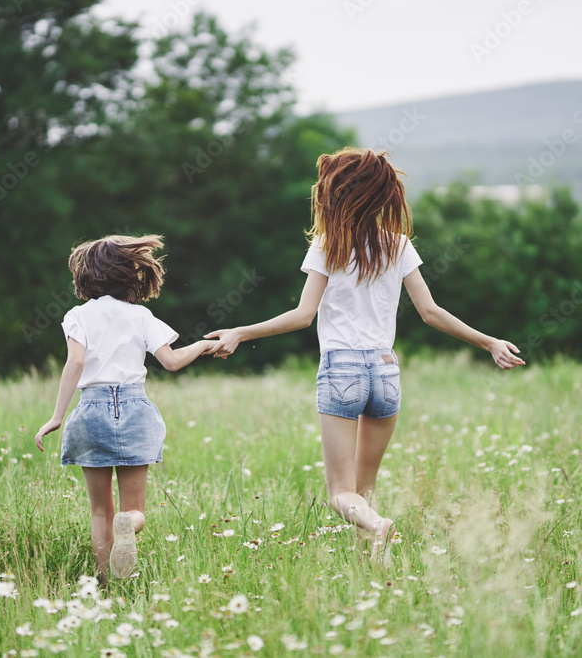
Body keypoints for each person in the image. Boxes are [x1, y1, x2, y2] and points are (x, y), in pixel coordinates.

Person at [206, 148, 524, 557]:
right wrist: (489, 341)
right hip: (386, 370)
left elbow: (303, 316)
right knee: (364, 487)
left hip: (342, 369)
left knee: (341, 493)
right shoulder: (398, 245)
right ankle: (373, 566)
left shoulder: (328, 245)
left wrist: (240, 332)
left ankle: (378, 526)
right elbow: (430, 312)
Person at [34, 234, 214, 582]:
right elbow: (172, 361)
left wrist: (57, 416)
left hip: (91, 411)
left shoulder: (78, 315)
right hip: (134, 410)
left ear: (87, 275)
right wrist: (204, 346)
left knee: (100, 512)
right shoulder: (141, 315)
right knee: (134, 510)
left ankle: (107, 583)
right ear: (129, 274)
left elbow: (75, 362)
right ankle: (129, 523)